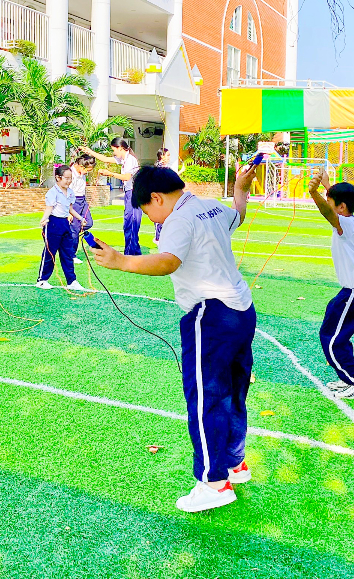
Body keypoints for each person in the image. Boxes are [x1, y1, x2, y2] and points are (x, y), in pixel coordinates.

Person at [89, 164, 257, 513]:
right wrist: (241, 188)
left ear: (156, 197)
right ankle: (234, 463)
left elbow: (168, 261)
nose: (150, 218)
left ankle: (213, 483)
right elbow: (238, 216)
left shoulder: (178, 219)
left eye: (147, 210)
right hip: (242, 309)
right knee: (233, 391)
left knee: (207, 397)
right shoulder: (209, 206)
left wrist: (121, 261)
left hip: (211, 314)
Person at [308, 169, 354, 400]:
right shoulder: (352, 221)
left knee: (333, 340)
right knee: (331, 332)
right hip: (353, 290)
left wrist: (314, 193)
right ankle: (347, 377)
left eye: (331, 201)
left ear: (341, 207)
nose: (329, 205)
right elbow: (335, 207)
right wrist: (327, 186)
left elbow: (327, 211)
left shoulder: (346, 225)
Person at [79, 138, 142, 255]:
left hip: (134, 193)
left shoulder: (130, 160)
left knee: (131, 224)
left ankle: (131, 254)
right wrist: (89, 151)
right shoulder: (123, 159)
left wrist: (110, 174)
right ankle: (133, 253)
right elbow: (105, 159)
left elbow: (127, 177)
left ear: (120, 148)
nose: (113, 152)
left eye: (114, 150)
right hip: (129, 193)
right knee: (128, 224)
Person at [37, 165, 87, 290]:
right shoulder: (52, 192)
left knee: (68, 254)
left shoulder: (70, 192)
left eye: (71, 178)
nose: (69, 181)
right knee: (50, 253)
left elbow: (70, 209)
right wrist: (44, 219)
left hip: (65, 223)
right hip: (53, 223)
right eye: (66, 178)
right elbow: (49, 208)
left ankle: (71, 281)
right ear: (58, 178)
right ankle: (42, 280)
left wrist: (80, 218)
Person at [69, 153, 98, 256]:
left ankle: (70, 232)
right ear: (81, 166)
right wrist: (68, 212)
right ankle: (71, 255)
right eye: (87, 170)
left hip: (82, 200)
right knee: (75, 229)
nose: (87, 172)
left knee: (89, 223)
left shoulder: (82, 173)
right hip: (73, 202)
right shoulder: (70, 174)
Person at [154, 148, 174, 244]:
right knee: (160, 221)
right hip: (159, 198)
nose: (169, 157)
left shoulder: (165, 167)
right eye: (167, 155)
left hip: (165, 197)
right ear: (162, 156)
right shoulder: (159, 167)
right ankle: (159, 240)